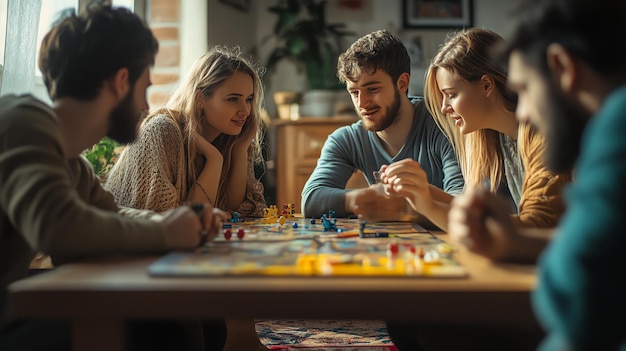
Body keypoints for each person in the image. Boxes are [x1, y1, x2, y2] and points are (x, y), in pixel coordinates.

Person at [0, 2, 228, 350]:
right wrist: (164, 232)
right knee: (163, 331)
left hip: (15, 312)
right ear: (122, 81)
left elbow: (111, 213)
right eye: (145, 87)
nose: (146, 107)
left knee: (203, 321)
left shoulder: (71, 162)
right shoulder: (22, 122)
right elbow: (60, 227)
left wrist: (180, 221)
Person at [449, 0, 626, 349]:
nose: (525, 113)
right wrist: (515, 243)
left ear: (562, 66)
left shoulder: (618, 124)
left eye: (525, 89)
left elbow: (582, 304)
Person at [104, 46, 268, 351]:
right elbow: (176, 222)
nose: (245, 111)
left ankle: (241, 340)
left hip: (180, 259)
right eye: (233, 99)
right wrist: (214, 159)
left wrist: (234, 151)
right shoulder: (161, 130)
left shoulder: (229, 139)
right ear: (200, 98)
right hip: (131, 262)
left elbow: (233, 211)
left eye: (248, 100)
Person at [379, 28, 571, 235]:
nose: (444, 108)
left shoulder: (541, 129)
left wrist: (428, 206)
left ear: (487, 85)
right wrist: (418, 191)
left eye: (451, 95)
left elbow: (539, 225)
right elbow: (474, 214)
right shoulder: (494, 137)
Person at [301, 29, 464, 222]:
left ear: (402, 83)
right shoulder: (346, 139)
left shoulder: (445, 124)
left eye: (372, 89)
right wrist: (358, 199)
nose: (362, 103)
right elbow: (311, 199)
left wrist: (404, 210)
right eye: (354, 92)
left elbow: (461, 203)